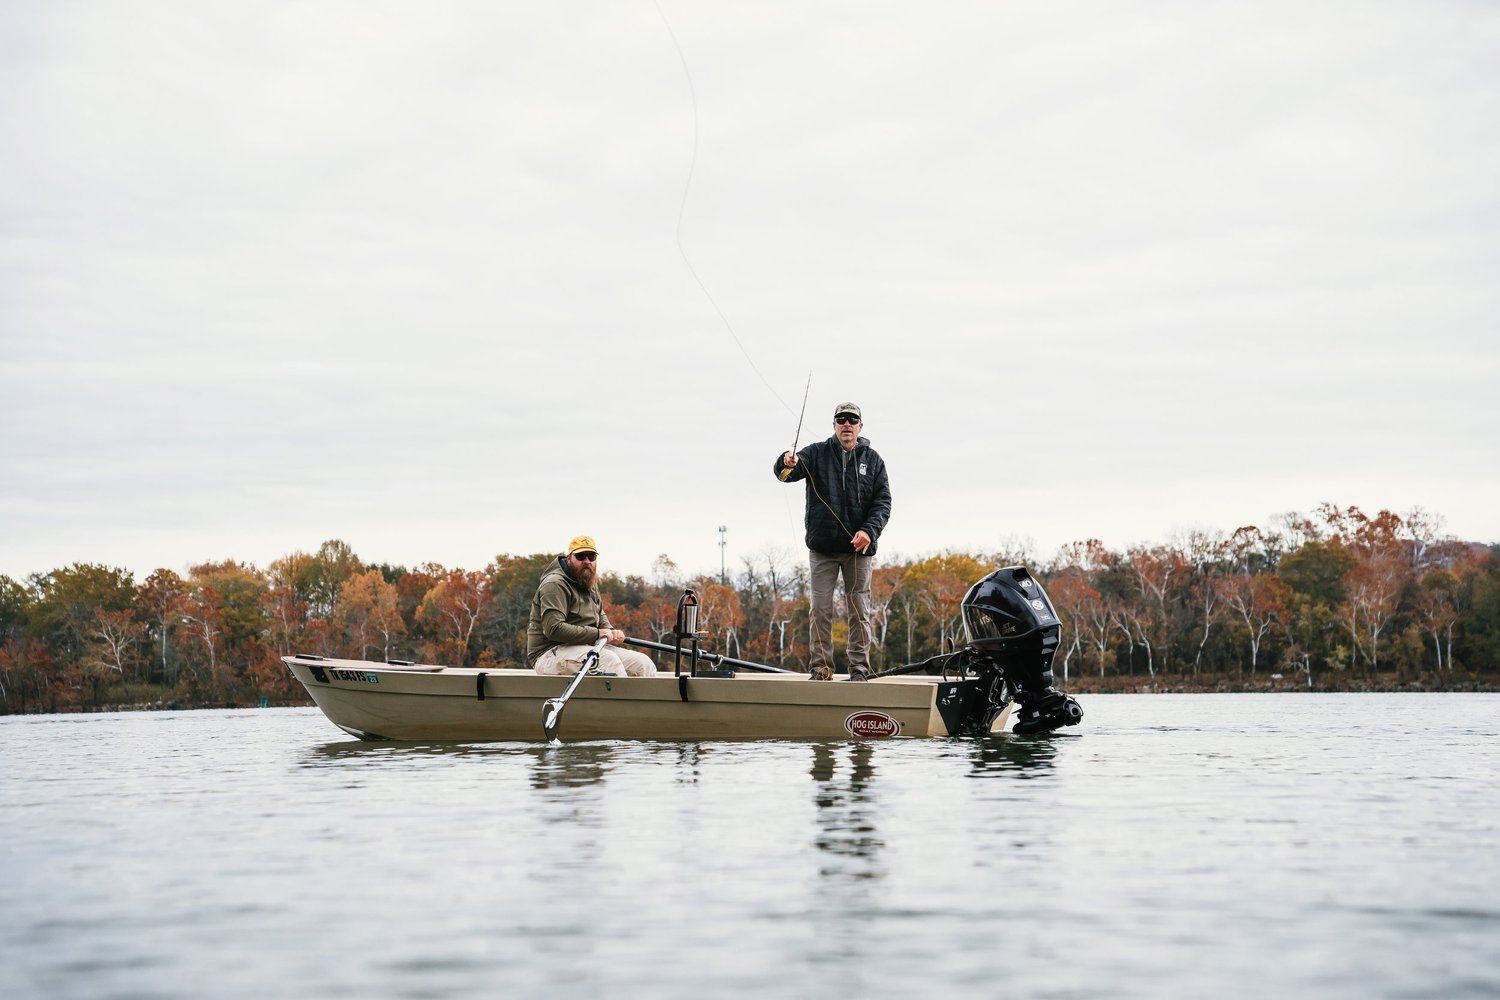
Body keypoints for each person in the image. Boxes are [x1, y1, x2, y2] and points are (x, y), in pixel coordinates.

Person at [773, 402, 892, 681]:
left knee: (859, 611)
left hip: (858, 551)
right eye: (841, 419)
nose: (846, 424)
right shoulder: (815, 453)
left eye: (852, 420)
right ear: (834, 425)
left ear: (860, 426)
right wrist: (785, 461)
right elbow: (785, 474)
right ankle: (820, 669)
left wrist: (869, 531)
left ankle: (859, 670)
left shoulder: (873, 460)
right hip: (823, 549)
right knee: (820, 610)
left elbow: (883, 503)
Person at [527, 535, 657, 677]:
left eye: (591, 556)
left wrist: (610, 631)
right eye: (581, 556)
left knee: (642, 663)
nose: (587, 561)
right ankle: (620, 700)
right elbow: (554, 629)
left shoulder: (588, 580)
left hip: (587, 647)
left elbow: (599, 614)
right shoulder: (554, 584)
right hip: (549, 654)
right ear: (569, 557)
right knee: (609, 662)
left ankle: (645, 700)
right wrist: (598, 634)